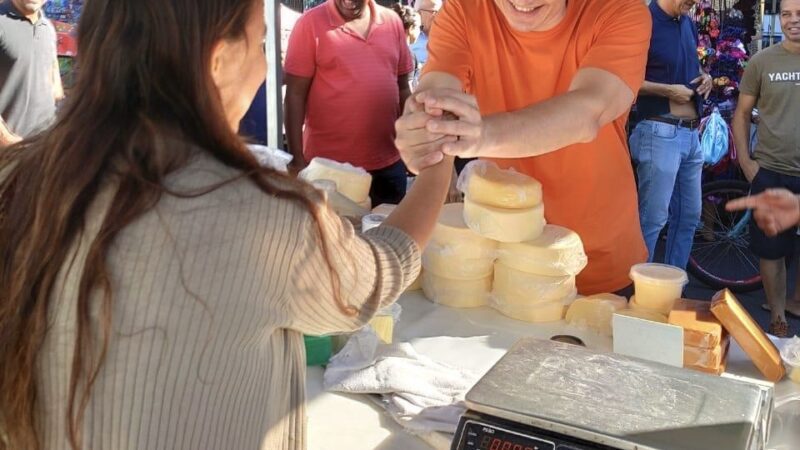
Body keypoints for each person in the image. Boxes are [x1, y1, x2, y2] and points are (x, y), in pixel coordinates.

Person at [0, 0, 453, 448]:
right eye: (258, 44)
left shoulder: (18, 180)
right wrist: (437, 166)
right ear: (217, 61)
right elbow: (378, 273)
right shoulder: (260, 214)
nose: (262, 68)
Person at [395, 0, 652, 295]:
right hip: (499, 260)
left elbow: (588, 111)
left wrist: (478, 134)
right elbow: (436, 111)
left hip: (595, 263)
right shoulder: (463, 10)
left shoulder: (619, 9)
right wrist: (422, 135)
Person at [284, 0, 414, 206]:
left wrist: (412, 145)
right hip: (329, 172)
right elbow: (294, 95)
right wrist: (296, 160)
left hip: (388, 166)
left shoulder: (392, 22)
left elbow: (403, 88)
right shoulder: (309, 24)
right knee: (332, 238)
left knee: (389, 235)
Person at [727, 0, 800, 336]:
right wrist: (746, 161)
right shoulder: (762, 62)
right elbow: (741, 114)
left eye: (799, 14)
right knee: (772, 252)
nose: (793, 20)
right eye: (786, 14)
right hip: (771, 171)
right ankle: (777, 323)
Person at [629, 0, 712, 270]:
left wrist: (705, 76)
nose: (694, 2)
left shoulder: (686, 21)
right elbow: (626, 78)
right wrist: (668, 91)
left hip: (690, 135)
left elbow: (689, 67)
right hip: (658, 130)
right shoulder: (643, 20)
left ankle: (672, 287)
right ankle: (639, 292)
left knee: (689, 216)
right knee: (653, 219)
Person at [0, 0, 64, 146]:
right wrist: (9, 142)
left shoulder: (47, 28)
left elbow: (55, 85)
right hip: (9, 153)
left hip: (45, 145)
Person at [392, 2, 422, 90]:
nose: (420, 32)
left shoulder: (386, 49)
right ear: (411, 28)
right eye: (420, 27)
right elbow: (407, 90)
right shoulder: (408, 55)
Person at [410, 0, 441, 69]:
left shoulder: (448, 38)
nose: (439, 16)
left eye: (441, 12)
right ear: (419, 13)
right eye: (434, 12)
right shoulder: (408, 40)